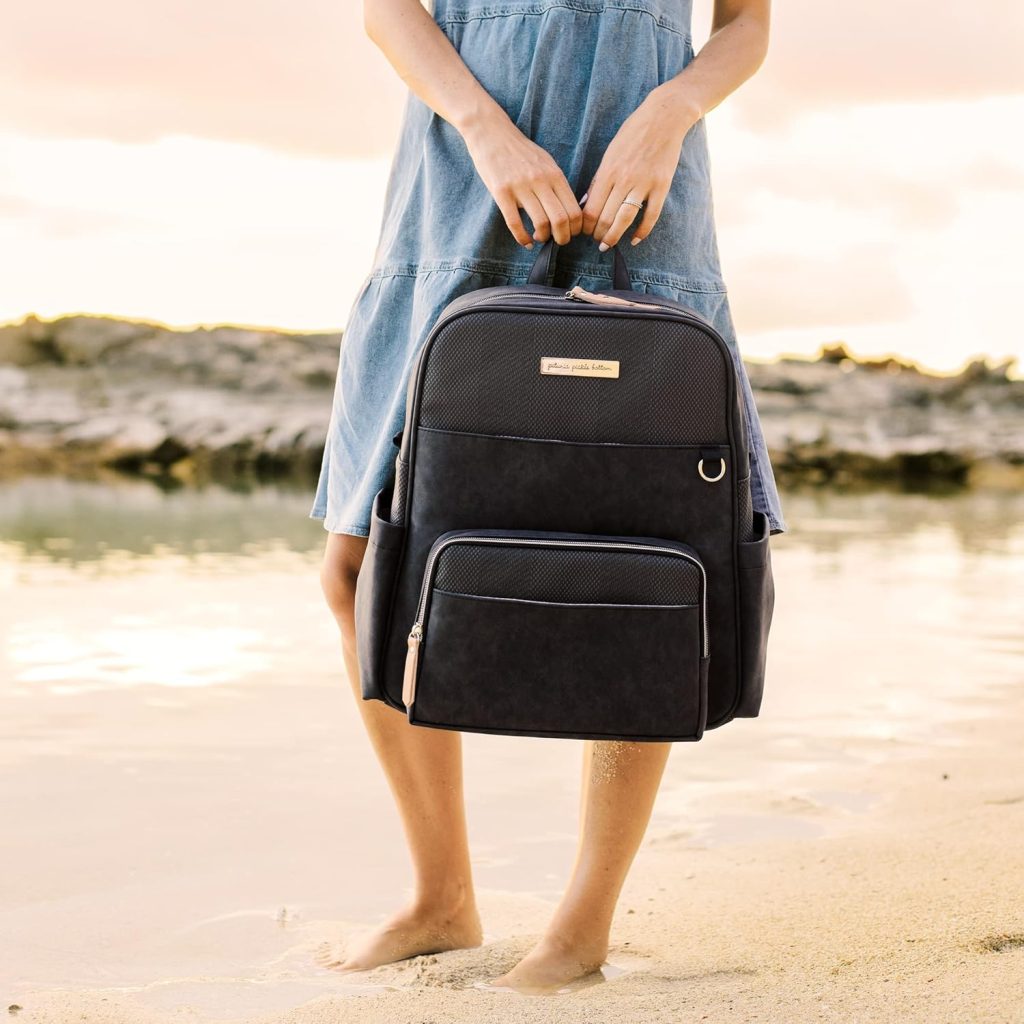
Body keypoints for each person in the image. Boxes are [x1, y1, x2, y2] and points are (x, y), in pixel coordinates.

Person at [311, 0, 784, 995]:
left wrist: (668, 113)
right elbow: (387, 13)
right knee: (359, 562)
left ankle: (581, 928)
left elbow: (744, 23)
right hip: (455, 188)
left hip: (640, 205)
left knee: (648, 548)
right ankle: (441, 894)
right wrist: (486, 131)